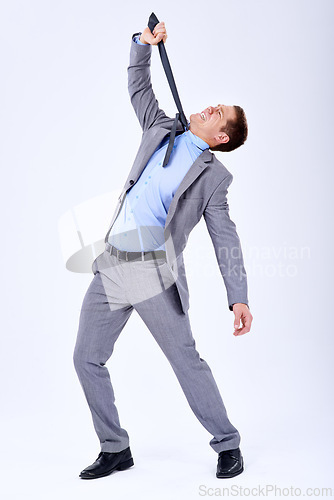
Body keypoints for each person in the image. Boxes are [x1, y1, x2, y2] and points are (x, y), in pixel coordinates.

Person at [73, 20, 253, 480]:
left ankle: (227, 444)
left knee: (185, 361)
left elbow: (225, 236)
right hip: (113, 261)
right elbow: (138, 86)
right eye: (214, 105)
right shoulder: (161, 129)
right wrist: (142, 45)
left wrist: (239, 296)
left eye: (220, 114)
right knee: (86, 358)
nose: (211, 107)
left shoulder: (215, 178)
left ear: (222, 138)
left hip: (154, 272)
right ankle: (115, 448)